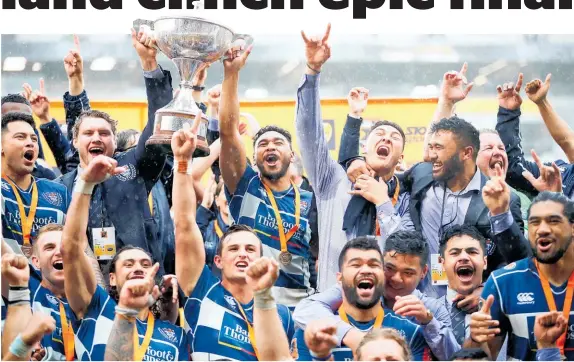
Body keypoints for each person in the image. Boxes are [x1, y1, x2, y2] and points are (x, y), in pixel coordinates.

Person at [170, 115, 295, 361]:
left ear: (261, 260)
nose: (243, 254)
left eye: (250, 249)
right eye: (234, 249)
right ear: (218, 261)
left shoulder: (281, 314)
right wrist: (182, 162)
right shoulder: (202, 288)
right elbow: (184, 224)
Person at [294, 24, 409, 291]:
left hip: (383, 315)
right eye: (379, 133)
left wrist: (383, 202)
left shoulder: (405, 198)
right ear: (363, 149)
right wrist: (312, 72)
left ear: (401, 159)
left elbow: (404, 253)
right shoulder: (333, 180)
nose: (386, 138)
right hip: (331, 314)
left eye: (394, 137)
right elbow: (308, 131)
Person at [57, 27, 172, 274]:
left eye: (104, 133)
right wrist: (75, 82)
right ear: (75, 142)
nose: (96, 138)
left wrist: (149, 63)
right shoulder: (60, 188)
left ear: (114, 142)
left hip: (140, 283)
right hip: (85, 292)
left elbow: (159, 125)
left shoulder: (134, 166)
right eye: (88, 133)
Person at [218, 36, 315, 308]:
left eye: (278, 143)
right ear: (255, 156)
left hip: (299, 309)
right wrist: (231, 73)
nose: (270, 146)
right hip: (248, 304)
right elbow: (227, 131)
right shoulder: (246, 186)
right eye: (262, 144)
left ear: (291, 156)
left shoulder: (309, 201)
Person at [60, 153, 186, 361]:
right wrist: (85, 185)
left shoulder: (174, 334)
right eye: (128, 264)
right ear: (111, 278)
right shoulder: (95, 306)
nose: (138, 267)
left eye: (145, 264)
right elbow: (71, 249)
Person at [294, 231, 457, 360]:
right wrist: (351, 336)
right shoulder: (350, 289)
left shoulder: (430, 313)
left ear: (423, 273)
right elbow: (305, 309)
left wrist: (428, 322)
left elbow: (454, 357)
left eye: (408, 272)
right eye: (390, 269)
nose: (396, 279)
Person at [467, 191, 574, 361]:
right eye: (534, 222)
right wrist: (475, 338)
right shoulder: (503, 282)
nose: (542, 229)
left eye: (553, 221)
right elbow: (481, 356)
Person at [1, 112, 70, 257]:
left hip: (50, 278)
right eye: (20, 137)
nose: (31, 142)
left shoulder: (59, 192)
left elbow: (80, 246)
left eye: (34, 138)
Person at [495, 73, 574, 199]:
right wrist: (508, 114)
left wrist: (557, 199)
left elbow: (568, 142)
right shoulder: (558, 175)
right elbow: (513, 169)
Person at [437, 225, 488, 347]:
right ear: (441, 263)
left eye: (472, 252)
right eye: (455, 253)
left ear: (485, 262)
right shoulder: (428, 313)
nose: (464, 257)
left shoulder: (501, 311)